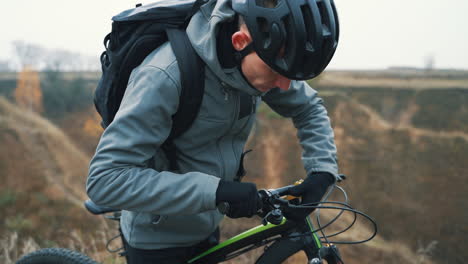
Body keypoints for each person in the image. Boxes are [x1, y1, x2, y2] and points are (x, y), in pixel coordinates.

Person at [86, 0, 341, 263]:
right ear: (240, 41)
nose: (285, 86)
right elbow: (105, 180)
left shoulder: (264, 59)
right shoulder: (164, 76)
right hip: (157, 239)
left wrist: (322, 169)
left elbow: (309, 107)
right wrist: (217, 192)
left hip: (207, 223)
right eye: (278, 71)